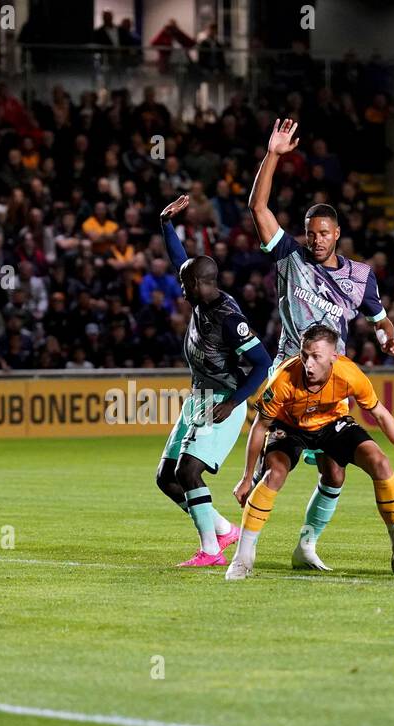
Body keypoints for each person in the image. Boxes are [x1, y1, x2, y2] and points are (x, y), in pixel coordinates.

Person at [241, 117, 394, 571]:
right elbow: (258, 207)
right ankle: (247, 533)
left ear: (337, 235)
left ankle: (306, 546)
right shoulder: (290, 258)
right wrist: (273, 154)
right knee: (278, 464)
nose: (315, 240)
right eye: (310, 232)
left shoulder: (361, 276)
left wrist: (390, 339)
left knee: (335, 471)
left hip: (333, 383)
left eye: (324, 233)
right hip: (290, 373)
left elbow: (381, 320)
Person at [227, 323, 394, 579]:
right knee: (275, 473)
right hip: (290, 425)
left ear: (334, 356)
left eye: (316, 357)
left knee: (378, 464)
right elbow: (260, 425)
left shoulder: (349, 374)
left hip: (331, 422)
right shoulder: (283, 379)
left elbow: (380, 414)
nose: (308, 363)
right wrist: (246, 477)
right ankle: (242, 558)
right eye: (304, 354)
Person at [154, 196, 271, 567]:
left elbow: (262, 363)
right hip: (198, 397)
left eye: (185, 284)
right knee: (166, 477)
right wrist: (165, 224)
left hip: (221, 399)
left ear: (201, 283)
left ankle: (210, 551)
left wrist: (234, 402)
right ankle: (223, 529)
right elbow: (180, 261)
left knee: (189, 471)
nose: (180, 288)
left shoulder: (227, 317)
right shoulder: (200, 296)